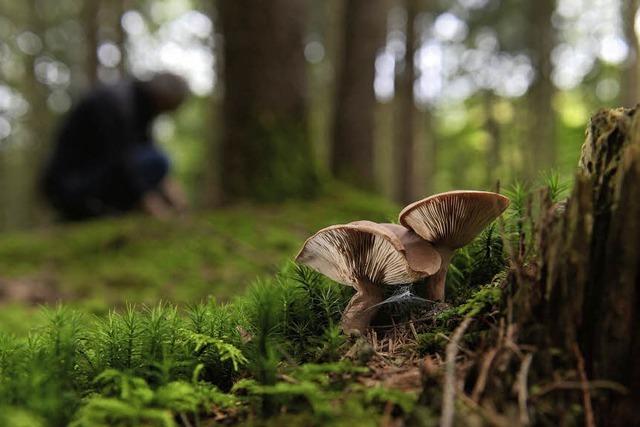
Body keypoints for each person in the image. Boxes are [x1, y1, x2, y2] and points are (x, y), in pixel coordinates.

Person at [42, 72, 190, 220]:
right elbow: (121, 161)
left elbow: (144, 147)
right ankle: (91, 208)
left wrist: (174, 196)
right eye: (168, 108)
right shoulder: (116, 102)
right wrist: (153, 206)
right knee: (155, 161)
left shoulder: (138, 106)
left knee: (157, 161)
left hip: (92, 176)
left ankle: (106, 208)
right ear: (162, 98)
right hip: (70, 185)